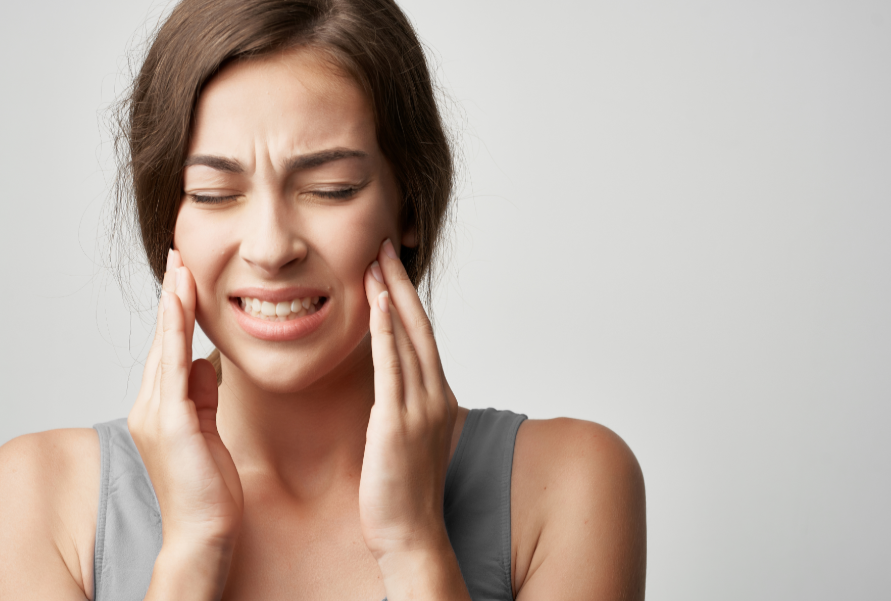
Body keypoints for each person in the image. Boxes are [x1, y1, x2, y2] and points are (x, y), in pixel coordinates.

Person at [0, 0, 646, 598]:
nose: (270, 246)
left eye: (331, 188)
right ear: (167, 219)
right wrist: (190, 553)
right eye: (214, 193)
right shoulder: (39, 495)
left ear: (410, 205)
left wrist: (415, 547)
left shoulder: (567, 484)